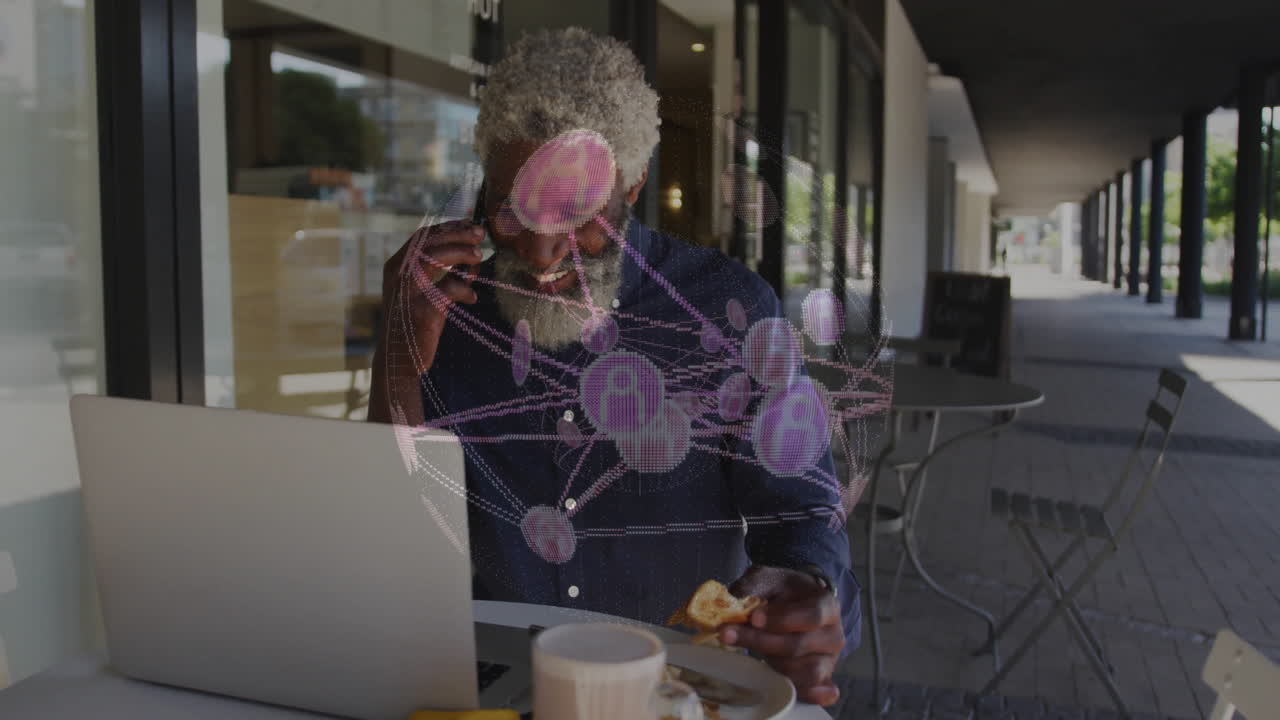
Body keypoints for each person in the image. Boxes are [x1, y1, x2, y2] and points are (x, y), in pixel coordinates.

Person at [368, 27, 859, 707]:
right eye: (512, 206)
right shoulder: (436, 302)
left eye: (576, 213)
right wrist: (396, 363)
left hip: (673, 695)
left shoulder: (727, 310)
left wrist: (814, 591)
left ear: (633, 183)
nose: (541, 254)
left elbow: (802, 512)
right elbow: (387, 536)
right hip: (481, 695)